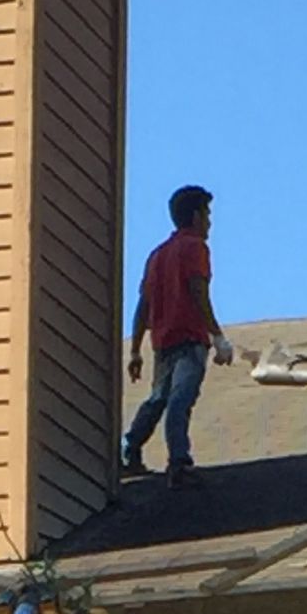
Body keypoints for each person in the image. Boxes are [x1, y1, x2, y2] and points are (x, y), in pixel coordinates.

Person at [123, 185, 234, 486]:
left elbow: (143, 306)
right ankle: (179, 464)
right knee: (179, 400)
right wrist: (217, 335)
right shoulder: (195, 248)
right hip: (189, 340)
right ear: (196, 216)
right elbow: (199, 291)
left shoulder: (157, 256)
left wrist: (135, 351)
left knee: (157, 399)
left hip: (163, 343)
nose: (210, 222)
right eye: (207, 214)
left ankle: (128, 451)